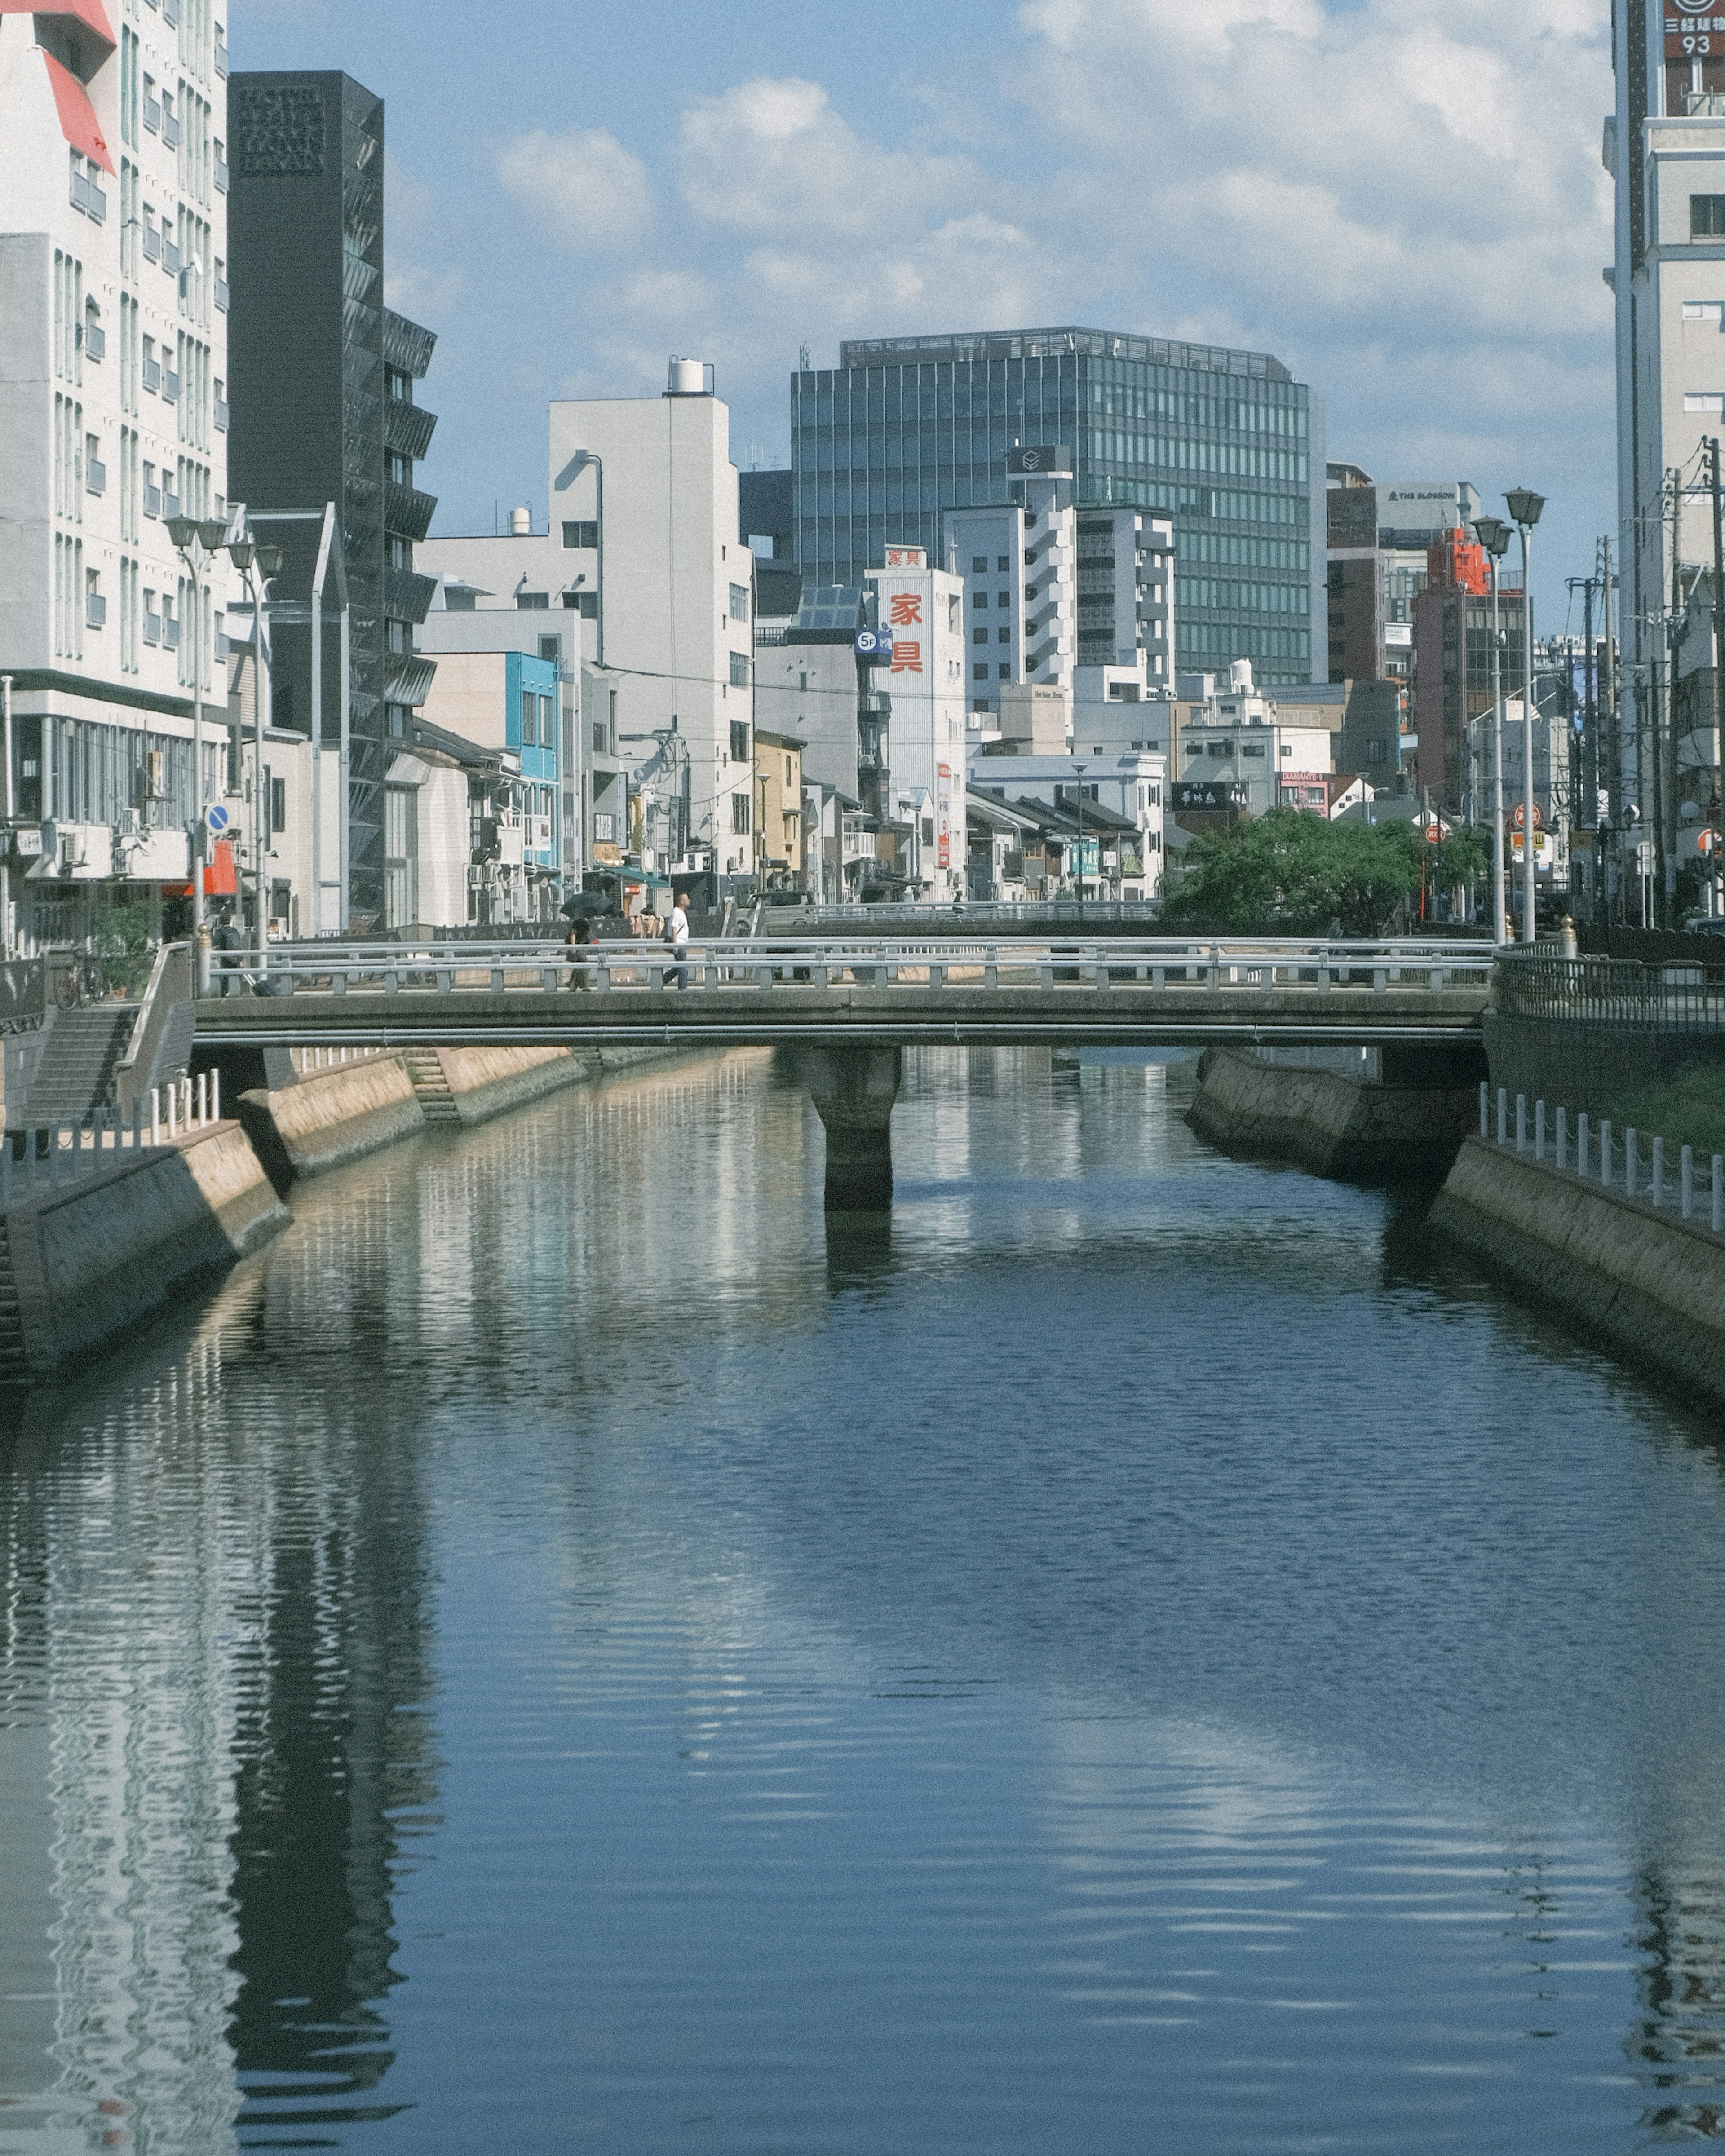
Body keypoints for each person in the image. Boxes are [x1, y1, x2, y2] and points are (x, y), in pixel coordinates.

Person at [666, 890, 690, 989]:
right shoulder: (677, 912)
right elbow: (674, 928)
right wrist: (675, 945)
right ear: (681, 902)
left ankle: (663, 980)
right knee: (683, 967)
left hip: (682, 943)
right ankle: (682, 988)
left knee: (679, 967)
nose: (689, 901)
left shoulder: (681, 913)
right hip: (679, 944)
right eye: (686, 899)